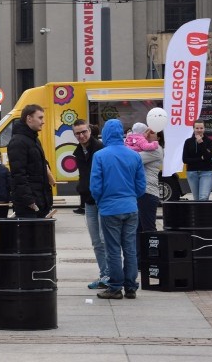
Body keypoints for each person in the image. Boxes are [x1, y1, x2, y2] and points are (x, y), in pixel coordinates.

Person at [90, 119, 146, 300]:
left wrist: (101, 202)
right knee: (129, 247)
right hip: (130, 207)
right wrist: (131, 199)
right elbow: (141, 186)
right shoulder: (134, 155)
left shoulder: (100, 155)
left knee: (113, 249)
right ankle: (131, 287)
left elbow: (95, 187)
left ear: (105, 134)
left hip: (109, 208)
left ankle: (115, 287)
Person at [73, 119, 108, 290]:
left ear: (90, 130)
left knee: (104, 239)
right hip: (89, 201)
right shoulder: (78, 152)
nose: (81, 135)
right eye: (77, 133)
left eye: (83, 132)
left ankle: (110, 275)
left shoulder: (100, 148)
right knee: (96, 241)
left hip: (102, 200)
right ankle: (104, 275)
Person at [8, 104, 54, 218]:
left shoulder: (34, 140)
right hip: (29, 205)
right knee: (30, 235)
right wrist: (30, 201)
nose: (43, 121)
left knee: (40, 235)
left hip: (40, 200)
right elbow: (18, 175)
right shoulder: (18, 142)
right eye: (40, 117)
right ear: (29, 118)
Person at [127, 123, 163, 234]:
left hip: (148, 192)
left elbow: (131, 159)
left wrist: (135, 139)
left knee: (148, 229)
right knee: (138, 229)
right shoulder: (143, 148)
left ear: (158, 137)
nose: (147, 134)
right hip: (140, 192)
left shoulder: (156, 150)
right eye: (146, 131)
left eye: (152, 133)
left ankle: (152, 251)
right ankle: (140, 252)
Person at [182, 120, 212, 201]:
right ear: (193, 129)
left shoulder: (209, 141)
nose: (199, 130)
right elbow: (185, 159)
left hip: (206, 172)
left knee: (203, 198)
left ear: (204, 129)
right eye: (197, 128)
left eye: (201, 128)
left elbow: (208, 157)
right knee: (197, 199)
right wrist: (200, 159)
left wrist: (201, 142)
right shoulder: (188, 141)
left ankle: (204, 213)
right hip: (192, 173)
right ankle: (200, 214)